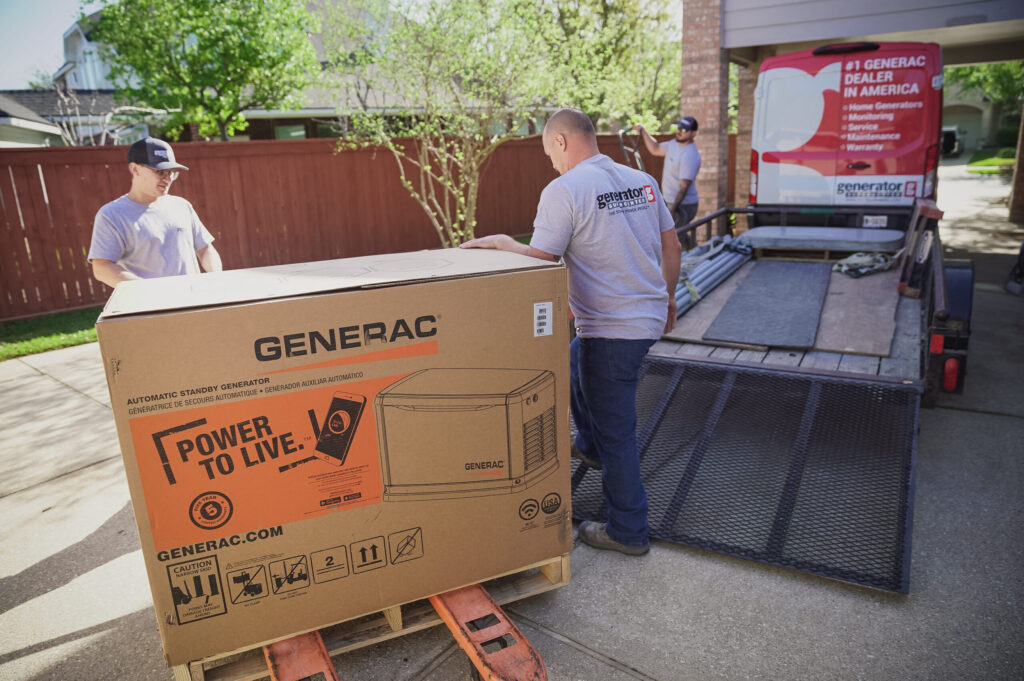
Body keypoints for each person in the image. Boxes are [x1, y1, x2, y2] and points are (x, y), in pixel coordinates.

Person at [460, 108, 682, 556]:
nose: (552, 163)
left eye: (549, 154)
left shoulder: (565, 189)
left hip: (612, 330)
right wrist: (670, 298)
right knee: (574, 358)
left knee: (618, 431)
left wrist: (503, 243)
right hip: (645, 318)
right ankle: (590, 444)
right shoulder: (641, 180)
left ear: (560, 142)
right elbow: (672, 245)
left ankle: (628, 531)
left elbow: (541, 260)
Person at [88, 137, 221, 288]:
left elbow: (205, 249)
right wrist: (150, 292)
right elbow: (102, 267)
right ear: (135, 169)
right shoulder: (112, 215)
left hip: (194, 298)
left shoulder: (182, 206)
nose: (168, 179)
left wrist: (216, 277)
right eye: (160, 172)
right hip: (149, 302)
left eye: (171, 173)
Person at [634, 116, 701, 228]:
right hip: (670, 201)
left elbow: (684, 187)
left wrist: (672, 209)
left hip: (683, 205)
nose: (679, 132)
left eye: (684, 130)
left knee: (677, 235)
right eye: (679, 128)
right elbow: (655, 149)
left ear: (693, 133)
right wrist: (643, 131)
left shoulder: (690, 155)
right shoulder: (674, 144)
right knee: (673, 234)